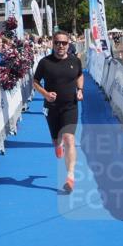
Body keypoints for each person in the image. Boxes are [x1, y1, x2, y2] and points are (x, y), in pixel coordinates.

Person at [32, 30, 84, 192]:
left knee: (69, 138)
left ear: (69, 44)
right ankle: (57, 144)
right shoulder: (45, 62)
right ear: (52, 44)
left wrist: (80, 90)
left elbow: (80, 75)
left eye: (64, 43)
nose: (61, 46)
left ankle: (70, 176)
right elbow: (35, 82)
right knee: (57, 141)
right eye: (57, 43)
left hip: (70, 106)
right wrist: (45, 94)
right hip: (52, 107)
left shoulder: (75, 61)